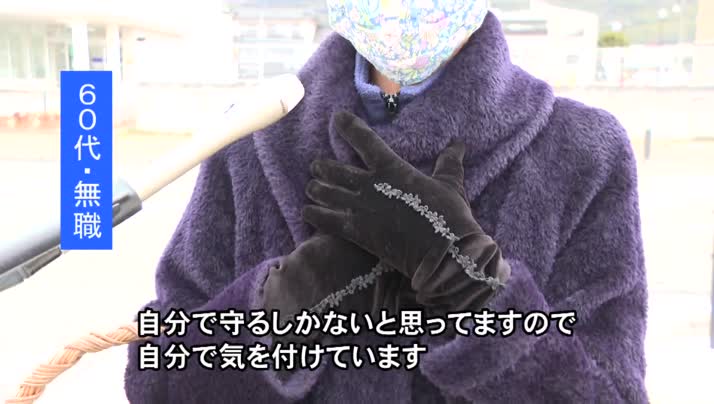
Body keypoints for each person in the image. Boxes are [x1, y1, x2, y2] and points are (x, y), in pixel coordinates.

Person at [124, 2, 649, 403]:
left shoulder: (581, 154)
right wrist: (284, 300)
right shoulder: (254, 138)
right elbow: (159, 382)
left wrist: (475, 291)